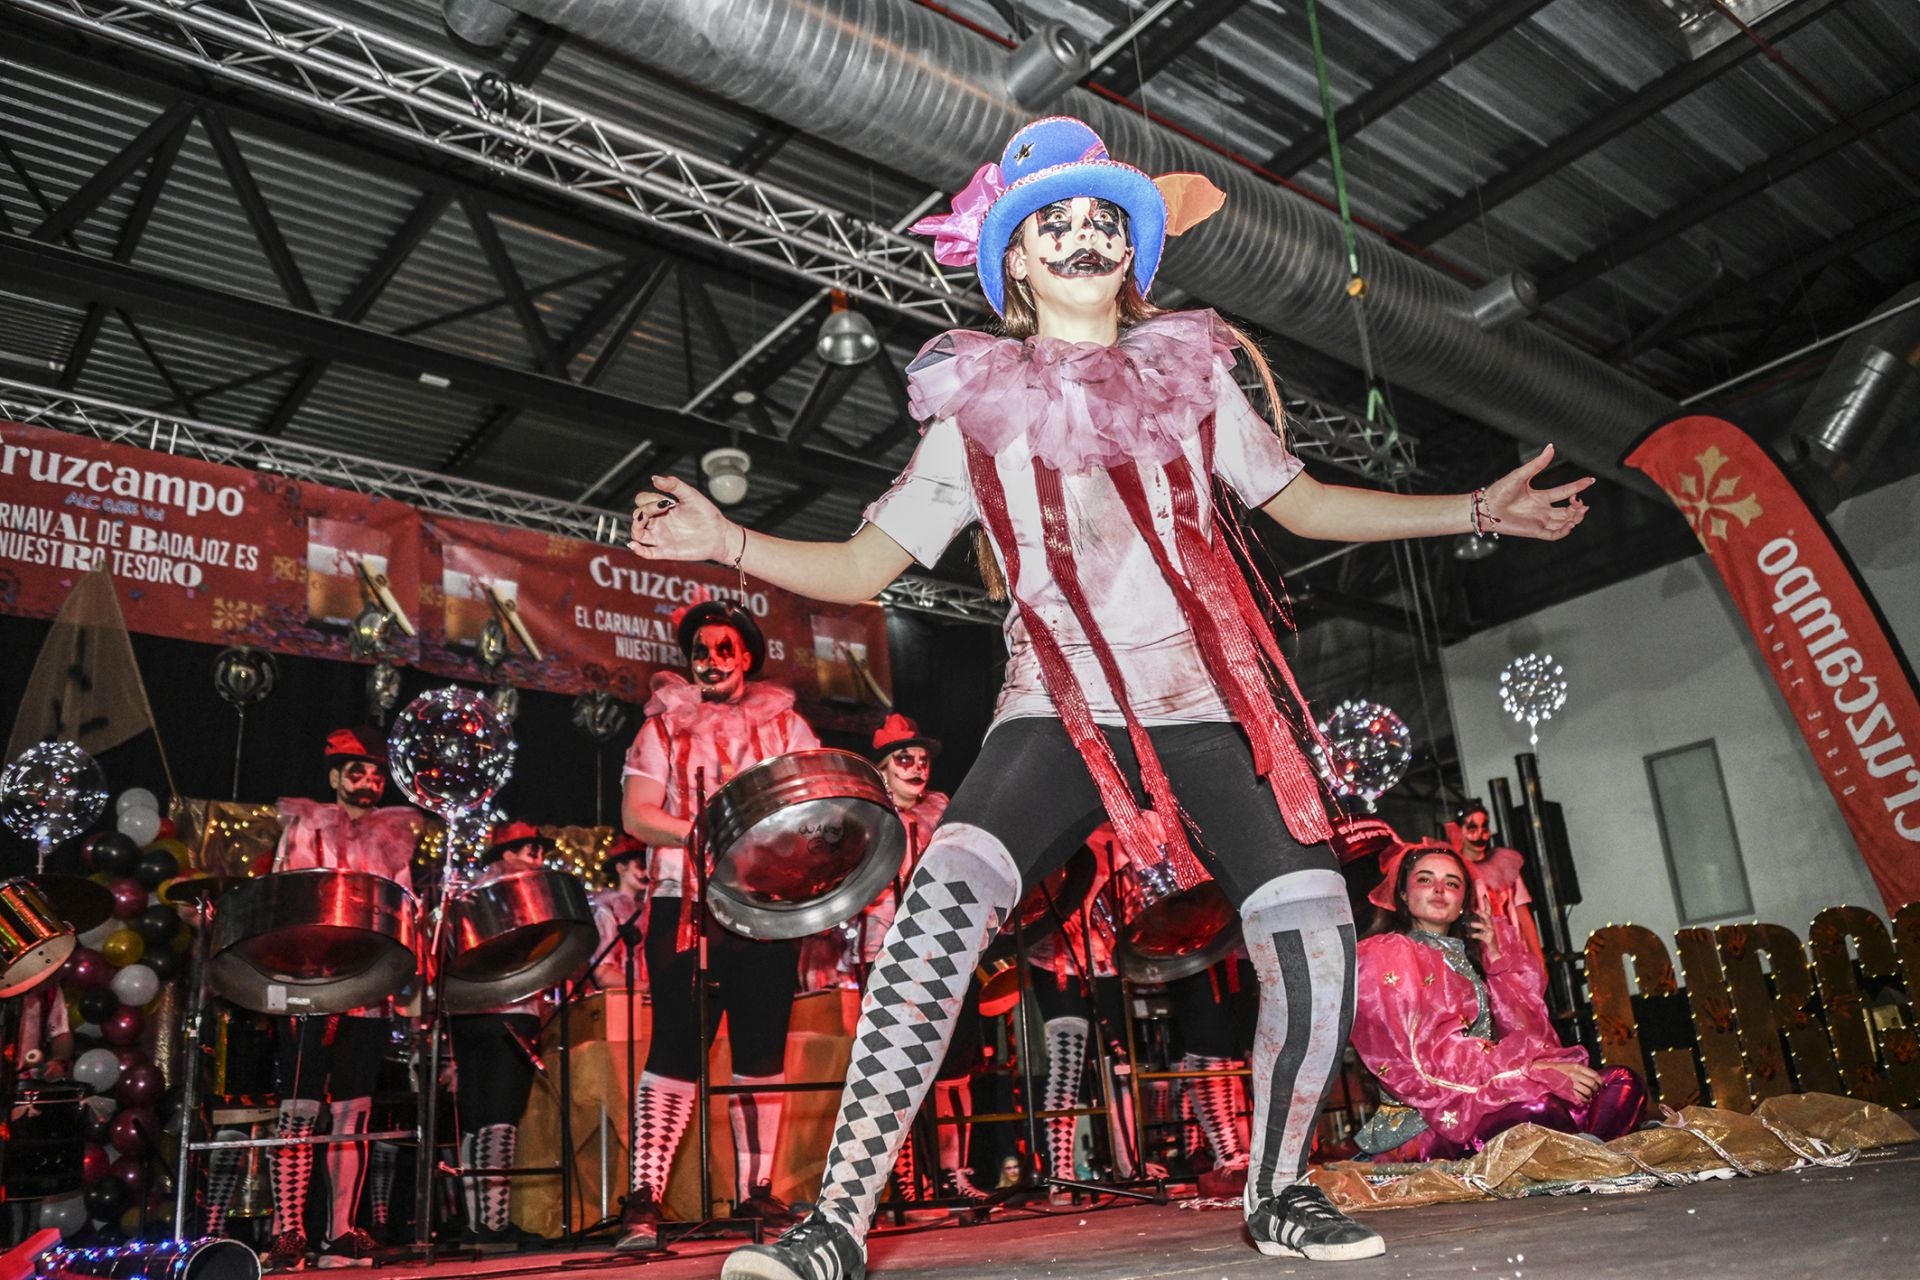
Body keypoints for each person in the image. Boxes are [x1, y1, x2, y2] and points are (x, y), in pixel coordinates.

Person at [627, 116, 1590, 1276]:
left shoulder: (1190, 379)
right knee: (937, 912)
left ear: (1131, 256)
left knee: (1316, 922)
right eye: (1055, 223)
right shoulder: (972, 406)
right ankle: (833, 1221)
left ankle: (1278, 1190)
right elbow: (862, 566)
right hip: (1058, 715)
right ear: (1015, 260)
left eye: (1102, 222)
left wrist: (1478, 508)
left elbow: (1309, 504)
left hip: (1203, 709)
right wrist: (728, 538)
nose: (1082, 237)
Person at [615, 597, 822, 1250]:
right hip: (688, 903)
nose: (710, 660)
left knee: (762, 1048)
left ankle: (756, 1197)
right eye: (699, 650)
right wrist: (707, 831)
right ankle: (643, 1199)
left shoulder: (789, 726)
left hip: (768, 905)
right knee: (676, 1043)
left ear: (747, 657)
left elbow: (819, 808)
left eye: (724, 648)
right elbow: (637, 814)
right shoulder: (661, 728)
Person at [1348, 844, 1644, 1162]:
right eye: (1424, 879)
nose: (1439, 890)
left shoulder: (1469, 957)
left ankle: (1575, 1158)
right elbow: (1424, 1064)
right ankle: (1578, 1155)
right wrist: (1528, 1071)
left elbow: (1534, 1035)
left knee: (1621, 1082)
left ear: (1464, 901)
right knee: (1540, 1109)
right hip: (1430, 1119)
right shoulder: (1390, 954)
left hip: (1492, 1090)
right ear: (1403, 894)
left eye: (1452, 883)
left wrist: (1496, 958)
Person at [265, 727, 424, 1271]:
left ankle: (340, 1232)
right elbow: (286, 898)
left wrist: (408, 977)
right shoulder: (305, 825)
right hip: (308, 981)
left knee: (354, 1108)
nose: (369, 783)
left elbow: (404, 908)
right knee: (301, 1102)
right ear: (334, 776)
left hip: (367, 986)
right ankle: (289, 1231)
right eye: (357, 772)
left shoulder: (394, 836)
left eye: (377, 774)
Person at [448, 822, 558, 1251]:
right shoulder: (518, 895)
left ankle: (480, 1225)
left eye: (538, 850)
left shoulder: (467, 895)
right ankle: (494, 1228)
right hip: (510, 1012)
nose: (538, 858)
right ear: (505, 856)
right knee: (499, 1115)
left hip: (467, 1012)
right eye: (528, 850)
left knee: (477, 1118)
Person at [1446, 800, 1545, 965]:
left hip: (1514, 952)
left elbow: (1523, 915)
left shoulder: (1504, 865)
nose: (1480, 835)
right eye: (1472, 828)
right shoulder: (1455, 870)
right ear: (1459, 831)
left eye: (1484, 827)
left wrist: (1539, 959)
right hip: (1477, 954)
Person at [591, 834, 649, 994]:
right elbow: (602, 974)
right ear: (621, 868)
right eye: (640, 865)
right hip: (618, 1002)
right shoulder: (607, 910)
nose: (647, 873)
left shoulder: (647, 911)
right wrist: (645, 987)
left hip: (645, 1003)